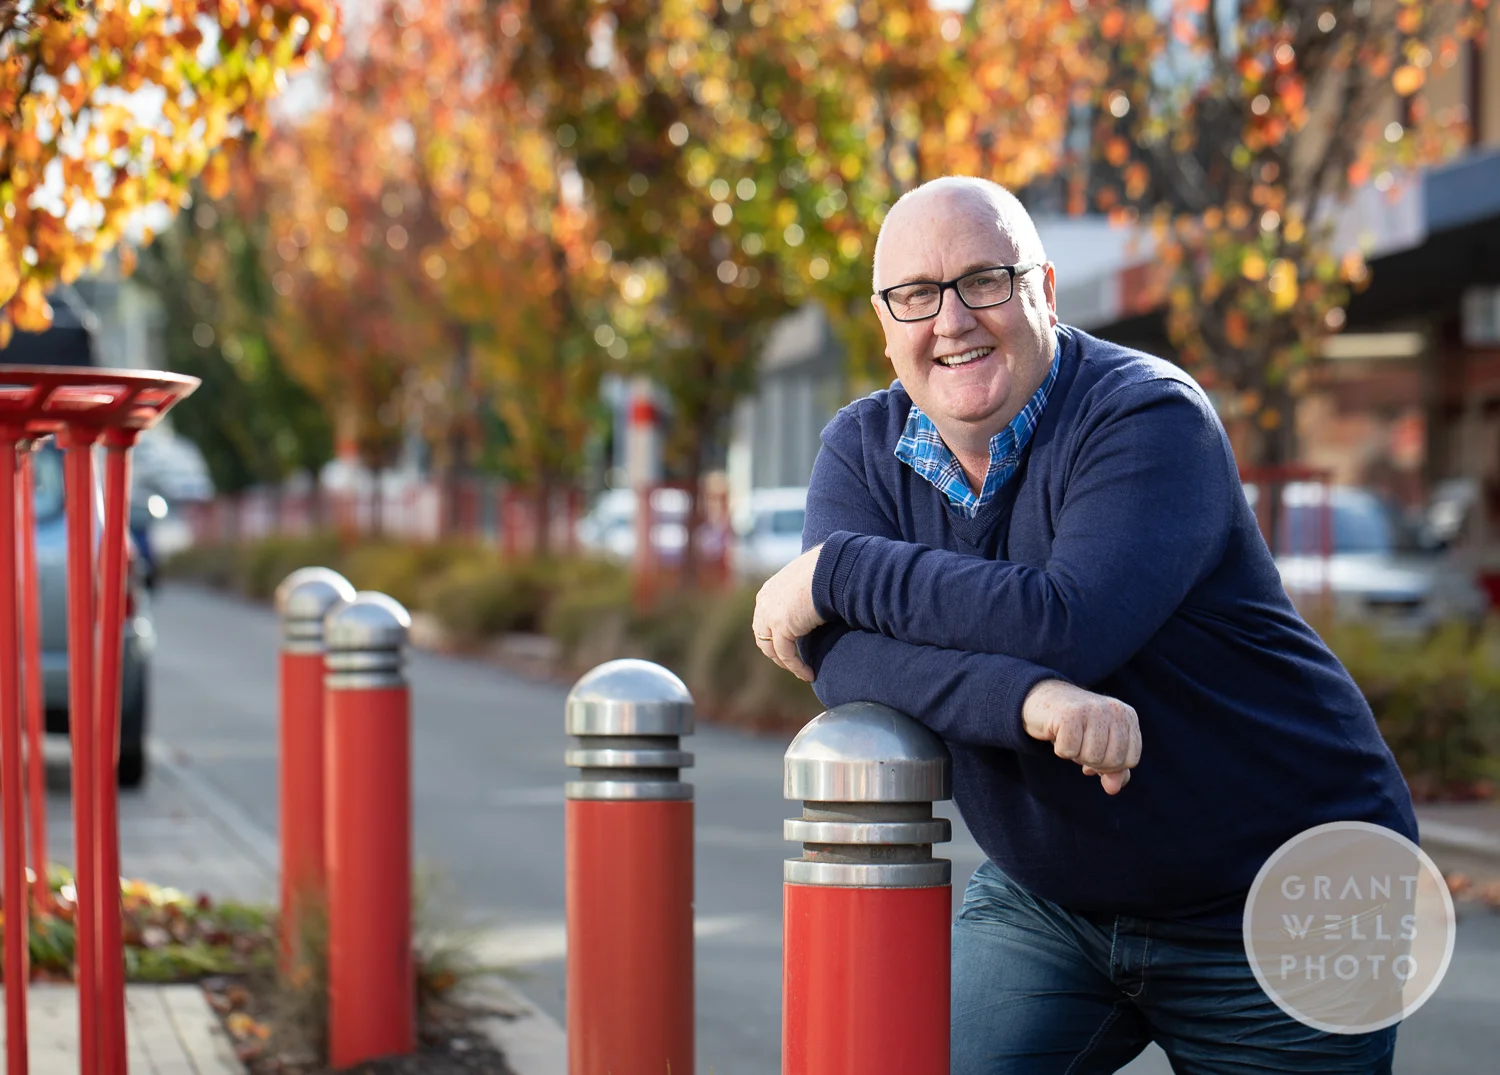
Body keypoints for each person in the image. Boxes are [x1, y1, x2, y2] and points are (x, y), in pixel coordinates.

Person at [750, 176, 1416, 1073]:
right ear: (884, 322)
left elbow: (1068, 622)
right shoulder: (862, 451)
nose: (950, 321)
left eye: (984, 280)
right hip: (1054, 904)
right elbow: (837, 657)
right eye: (915, 295)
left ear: (1045, 291)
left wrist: (839, 570)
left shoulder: (1148, 416)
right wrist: (1026, 701)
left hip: (1287, 894)